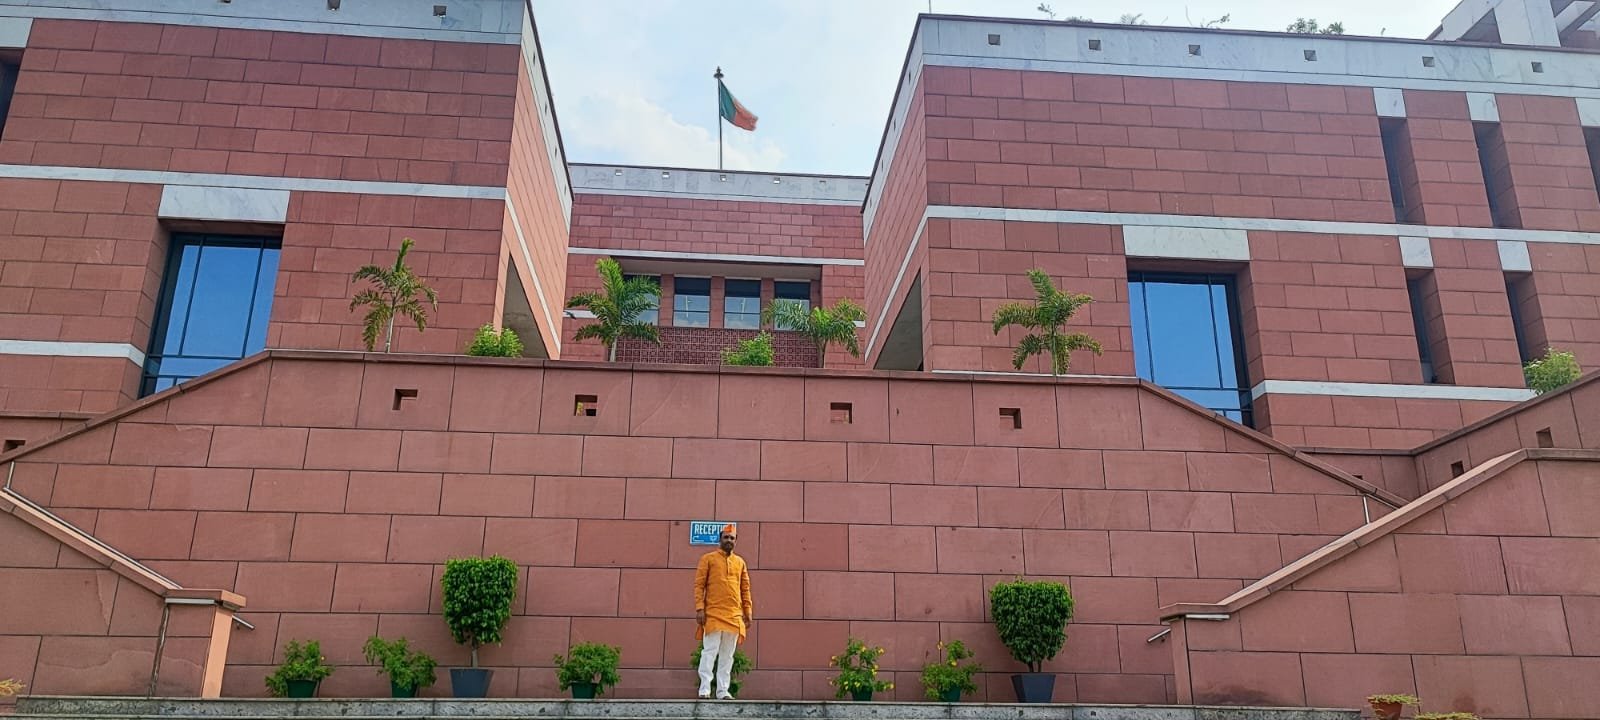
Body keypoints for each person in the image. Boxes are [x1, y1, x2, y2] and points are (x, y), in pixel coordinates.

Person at [694, 524, 752, 699]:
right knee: (709, 652)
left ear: (736, 541)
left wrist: (748, 611)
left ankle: (722, 691)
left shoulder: (740, 562)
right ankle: (704, 689)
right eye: (726, 537)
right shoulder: (708, 559)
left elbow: (745, 589)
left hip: (734, 616)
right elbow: (699, 585)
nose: (729, 540)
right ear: (720, 539)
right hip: (713, 613)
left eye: (732, 538)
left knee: (727, 656)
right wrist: (700, 608)